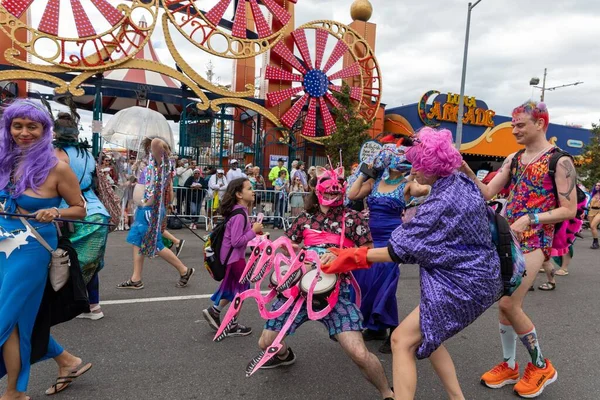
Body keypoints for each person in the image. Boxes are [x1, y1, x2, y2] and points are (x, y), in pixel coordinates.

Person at [322, 127, 503, 399]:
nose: (413, 171)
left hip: (463, 282)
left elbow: (399, 249)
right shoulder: (459, 183)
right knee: (430, 336)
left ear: (433, 165)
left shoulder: (441, 201)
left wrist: (351, 256)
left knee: (400, 340)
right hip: (478, 274)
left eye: (418, 165)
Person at [461, 101, 575, 398]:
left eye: (520, 125)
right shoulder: (513, 158)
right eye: (512, 125)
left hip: (536, 241)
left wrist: (531, 217)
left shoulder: (560, 161)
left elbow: (570, 210)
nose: (514, 130)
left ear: (540, 123)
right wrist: (463, 168)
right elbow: (487, 192)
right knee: (505, 305)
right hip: (507, 239)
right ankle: (510, 366)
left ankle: (540, 366)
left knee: (509, 305)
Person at [257, 167, 394, 400]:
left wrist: (340, 254)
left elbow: (369, 252)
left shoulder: (353, 219)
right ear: (315, 187)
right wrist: (269, 246)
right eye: (326, 181)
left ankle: (388, 393)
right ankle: (285, 356)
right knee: (266, 343)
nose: (332, 186)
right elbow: (290, 246)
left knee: (359, 353)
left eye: (338, 182)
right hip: (297, 291)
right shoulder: (304, 219)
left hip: (335, 293)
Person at [0, 100, 91, 399]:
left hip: (32, 249)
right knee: (19, 318)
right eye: (18, 126)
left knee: (4, 317)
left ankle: (15, 390)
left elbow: (80, 209)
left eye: (32, 126)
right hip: (2, 246)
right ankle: (17, 389)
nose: (24, 132)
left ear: (44, 130)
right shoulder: (5, 161)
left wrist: (56, 212)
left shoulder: (57, 168)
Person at [347, 142, 430, 353]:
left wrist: (419, 174)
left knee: (385, 285)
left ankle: (394, 328)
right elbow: (352, 195)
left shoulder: (408, 185)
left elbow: (427, 189)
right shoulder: (375, 182)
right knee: (365, 282)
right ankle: (376, 328)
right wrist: (363, 173)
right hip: (369, 239)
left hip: (392, 241)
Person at [53, 112, 110, 321]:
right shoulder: (87, 154)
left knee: (61, 262)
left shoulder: (57, 155)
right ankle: (92, 306)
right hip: (97, 214)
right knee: (90, 265)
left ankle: (62, 306)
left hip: (70, 214)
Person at [117, 138, 195, 290]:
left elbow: (157, 143)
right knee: (137, 242)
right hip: (143, 210)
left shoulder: (163, 164)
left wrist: (157, 143)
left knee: (154, 244)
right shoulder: (152, 166)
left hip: (150, 210)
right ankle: (136, 278)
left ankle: (184, 270)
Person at [202, 178, 263, 338]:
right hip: (234, 259)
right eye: (249, 189)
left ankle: (214, 311)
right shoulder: (239, 215)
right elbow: (237, 241)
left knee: (233, 289)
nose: (253, 191)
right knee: (241, 291)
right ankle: (232, 324)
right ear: (239, 194)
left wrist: (254, 231)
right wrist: (253, 231)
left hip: (233, 258)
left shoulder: (241, 210)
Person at [588, 182, 600, 249]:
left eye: (599, 185)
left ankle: (595, 242)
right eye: (596, 185)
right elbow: (587, 203)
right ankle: (595, 242)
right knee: (593, 228)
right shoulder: (592, 194)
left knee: (593, 225)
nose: (597, 186)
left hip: (599, 211)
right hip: (591, 211)